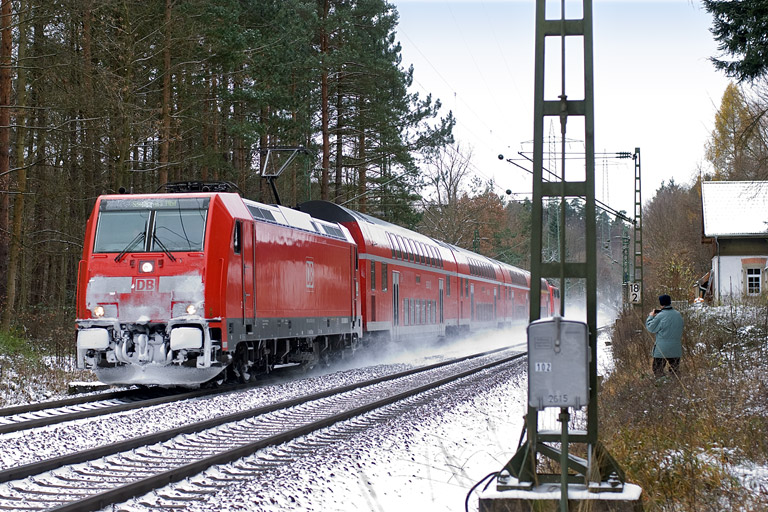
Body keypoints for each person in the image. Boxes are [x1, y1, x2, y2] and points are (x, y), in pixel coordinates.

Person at [645, 294, 684, 377]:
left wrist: (651, 317)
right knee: (674, 371)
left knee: (657, 369)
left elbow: (650, 328)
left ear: (661, 303)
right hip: (676, 348)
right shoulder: (678, 315)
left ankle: (662, 386)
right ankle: (676, 387)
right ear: (670, 302)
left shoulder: (660, 316)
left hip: (661, 349)